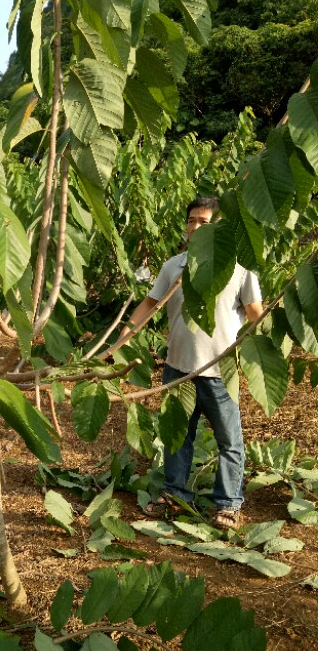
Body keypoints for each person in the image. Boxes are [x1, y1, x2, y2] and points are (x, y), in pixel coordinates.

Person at [119, 196, 264, 529]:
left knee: (229, 440)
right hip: (177, 369)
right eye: (192, 220)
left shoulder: (240, 268)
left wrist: (258, 359)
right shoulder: (174, 267)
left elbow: (256, 317)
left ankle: (228, 504)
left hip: (219, 373)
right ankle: (175, 495)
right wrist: (119, 341)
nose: (197, 227)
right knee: (177, 437)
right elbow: (149, 304)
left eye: (206, 222)